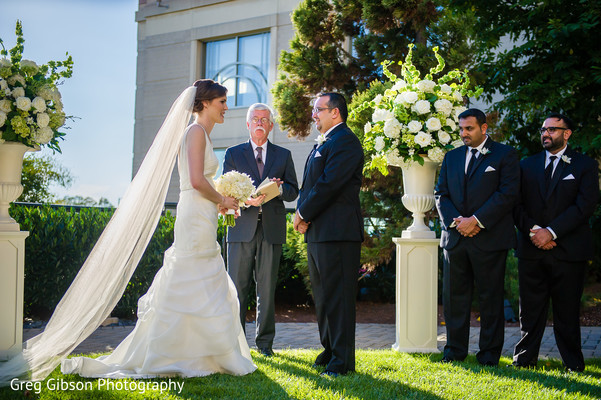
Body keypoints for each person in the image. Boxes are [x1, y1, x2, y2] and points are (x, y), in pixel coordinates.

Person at [55, 80, 257, 378]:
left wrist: (221, 203)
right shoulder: (196, 132)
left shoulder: (201, 134)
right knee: (191, 273)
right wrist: (223, 197)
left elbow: (200, 184)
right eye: (222, 102)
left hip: (202, 212)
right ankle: (175, 352)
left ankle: (200, 353)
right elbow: (197, 181)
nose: (226, 107)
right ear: (204, 104)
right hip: (194, 216)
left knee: (200, 275)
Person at [512, 113, 599, 372]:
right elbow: (515, 205)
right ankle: (525, 361)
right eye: (543, 130)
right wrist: (535, 231)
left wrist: (551, 232)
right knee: (529, 311)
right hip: (531, 249)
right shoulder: (527, 165)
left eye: (552, 129)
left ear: (567, 133)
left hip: (569, 250)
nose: (546, 134)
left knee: (567, 311)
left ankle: (573, 364)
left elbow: (585, 206)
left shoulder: (584, 165)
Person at [435, 108, 520, 366]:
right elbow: (441, 194)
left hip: (489, 239)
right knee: (454, 300)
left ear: (484, 128)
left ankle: (489, 355)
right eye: (461, 129)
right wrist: (457, 222)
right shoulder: (451, 157)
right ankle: (454, 351)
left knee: (490, 299)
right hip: (456, 238)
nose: (463, 133)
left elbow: (507, 194)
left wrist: (476, 221)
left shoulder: (505, 155)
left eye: (469, 128)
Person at [294, 92, 364, 377]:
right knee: (323, 296)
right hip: (319, 232)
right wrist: (302, 213)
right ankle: (330, 348)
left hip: (338, 233)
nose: (314, 115)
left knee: (339, 298)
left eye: (318, 110)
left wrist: (303, 213)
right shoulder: (325, 141)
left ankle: (343, 360)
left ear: (335, 112)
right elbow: (310, 184)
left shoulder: (346, 141)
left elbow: (328, 185)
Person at [222, 103, 299, 357]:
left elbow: (293, 191)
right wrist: (245, 200)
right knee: (237, 288)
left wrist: (278, 188)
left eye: (265, 119)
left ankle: (265, 345)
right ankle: (237, 344)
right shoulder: (233, 153)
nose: (259, 122)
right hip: (241, 229)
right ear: (247, 124)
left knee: (266, 289)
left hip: (271, 229)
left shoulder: (283, 155)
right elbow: (224, 191)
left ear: (271, 126)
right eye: (255, 119)